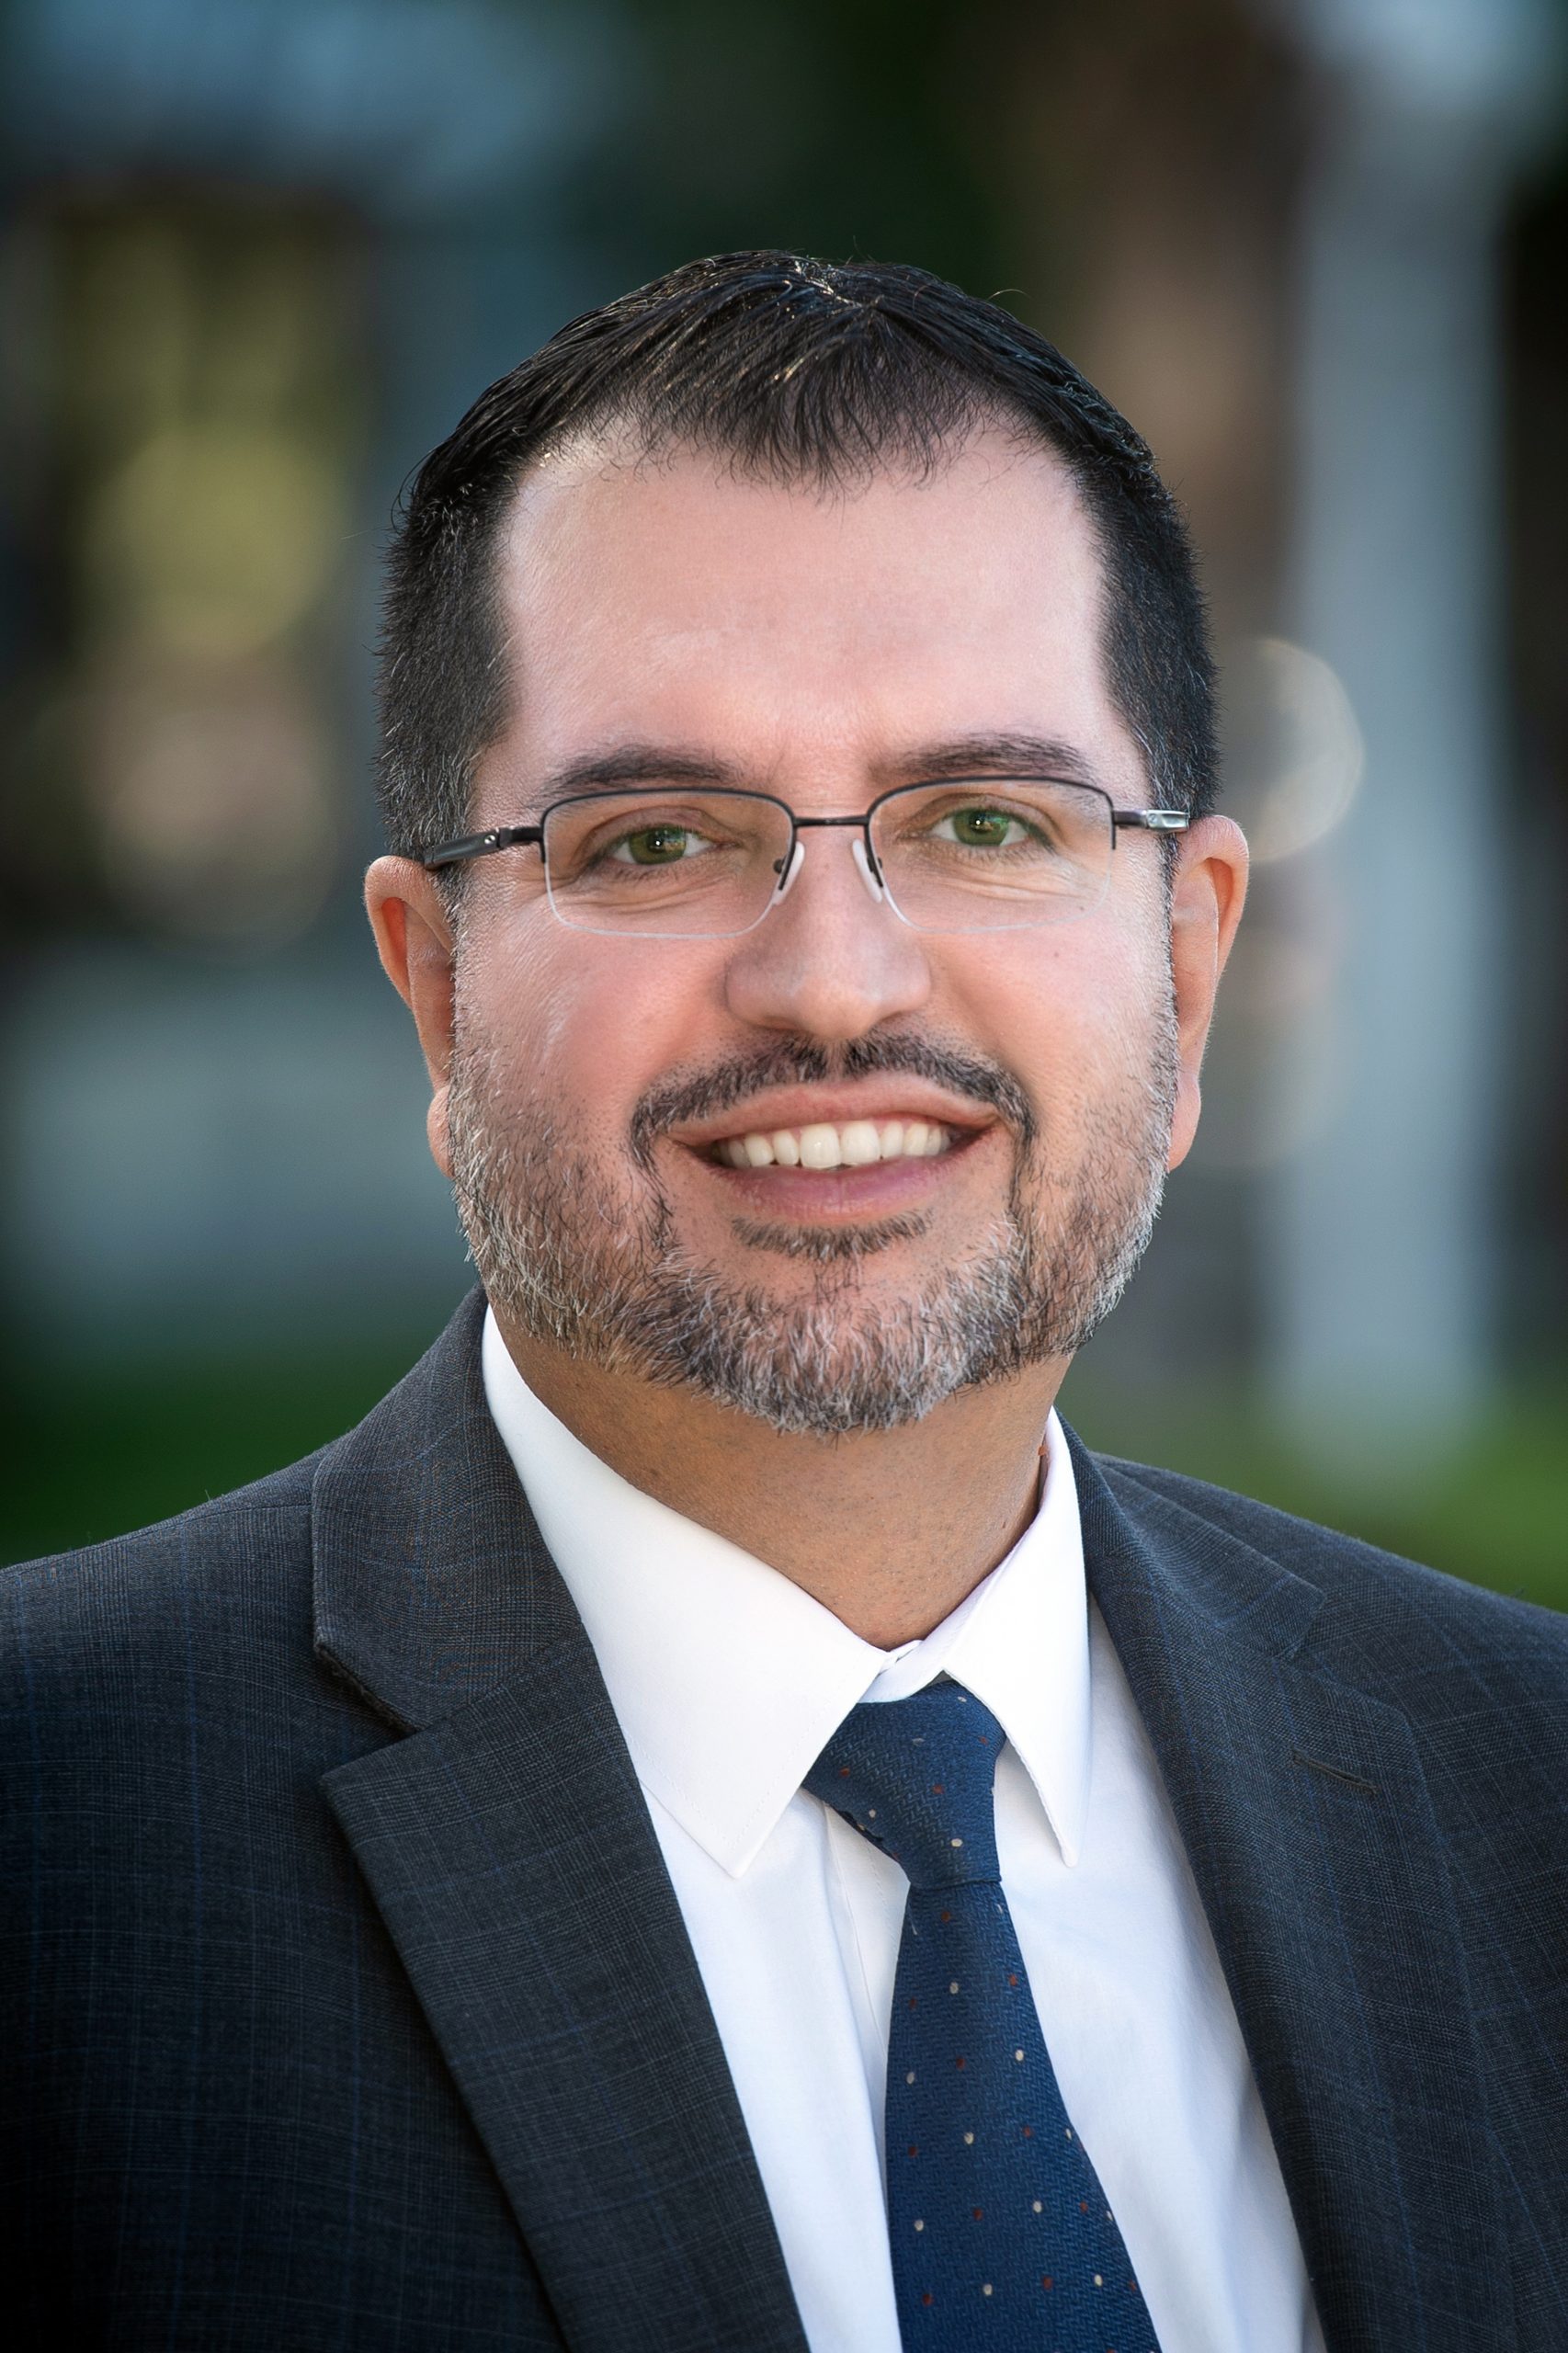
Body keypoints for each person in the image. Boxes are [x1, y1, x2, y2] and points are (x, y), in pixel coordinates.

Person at [4, 252, 1564, 2353]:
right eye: (654, 838)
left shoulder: (1526, 1786)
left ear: (1187, 973)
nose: (836, 981)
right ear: (436, 983)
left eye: (988, 817)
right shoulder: (54, 1838)